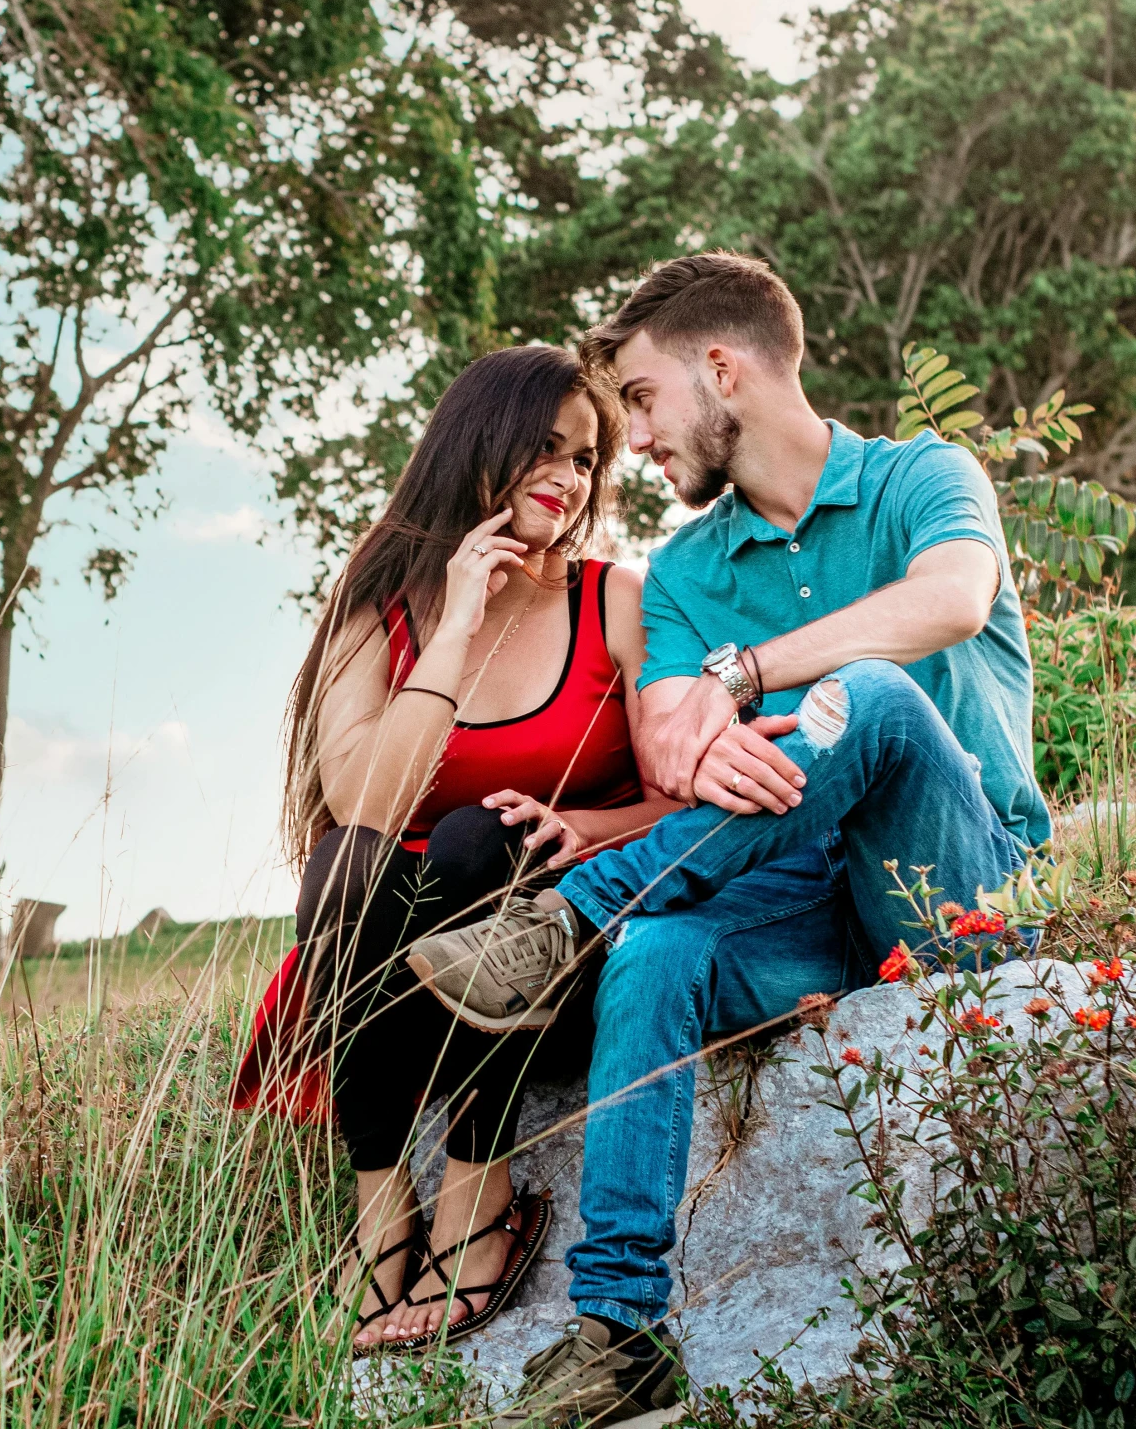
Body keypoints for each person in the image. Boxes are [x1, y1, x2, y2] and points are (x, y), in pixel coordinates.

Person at [403, 254, 1052, 1428]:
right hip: (788, 901)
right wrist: (704, 722)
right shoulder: (692, 569)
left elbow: (948, 603)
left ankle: (570, 915)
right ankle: (618, 1332)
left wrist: (751, 675)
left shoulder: (922, 478)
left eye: (642, 400)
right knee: (656, 953)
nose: (633, 441)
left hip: (951, 888)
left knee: (878, 692)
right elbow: (670, 738)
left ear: (721, 367)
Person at [255, 344, 721, 1355]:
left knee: (478, 835)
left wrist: (586, 828)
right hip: (383, 1000)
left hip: (548, 966)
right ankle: (383, 1203)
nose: (569, 476)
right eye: (543, 448)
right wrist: (458, 621)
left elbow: (675, 796)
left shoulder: (614, 599)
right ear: (477, 448)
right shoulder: (380, 605)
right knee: (349, 860)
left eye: (587, 457)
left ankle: (480, 1184)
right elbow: (363, 802)